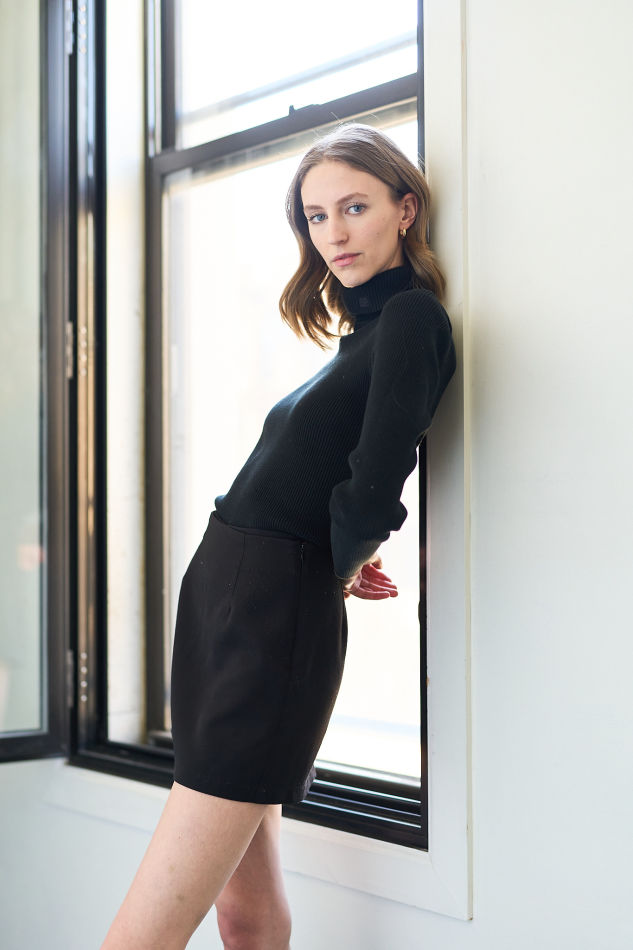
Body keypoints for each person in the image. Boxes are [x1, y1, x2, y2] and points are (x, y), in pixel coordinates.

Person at [101, 123, 456, 950]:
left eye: (354, 207)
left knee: (141, 934)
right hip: (231, 602)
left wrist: (343, 559)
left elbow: (374, 482)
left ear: (405, 209)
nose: (333, 233)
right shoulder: (359, 336)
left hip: (269, 612)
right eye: (315, 216)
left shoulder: (411, 318)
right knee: (241, 912)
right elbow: (333, 481)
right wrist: (344, 555)